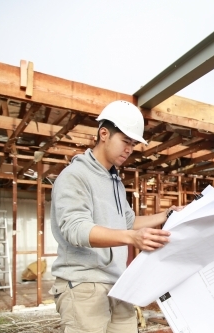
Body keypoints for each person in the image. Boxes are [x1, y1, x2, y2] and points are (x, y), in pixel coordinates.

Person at [49, 100, 180, 332]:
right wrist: (131, 238)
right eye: (125, 141)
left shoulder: (115, 181)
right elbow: (75, 229)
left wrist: (166, 214)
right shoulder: (75, 176)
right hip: (84, 285)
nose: (129, 149)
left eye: (133, 144)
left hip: (118, 285)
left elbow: (127, 222)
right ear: (104, 134)